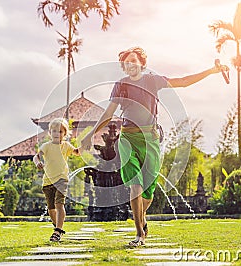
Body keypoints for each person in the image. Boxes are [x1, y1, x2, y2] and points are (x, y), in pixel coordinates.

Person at [81, 47, 229, 247]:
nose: (130, 64)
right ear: (123, 67)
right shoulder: (120, 85)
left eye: (133, 60)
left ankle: (141, 218)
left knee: (148, 191)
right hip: (128, 139)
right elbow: (109, 113)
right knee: (136, 184)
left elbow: (183, 82)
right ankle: (139, 234)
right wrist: (90, 134)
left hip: (150, 139)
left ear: (141, 62)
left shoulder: (152, 80)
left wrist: (211, 71)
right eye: (126, 63)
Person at [33, 117, 81, 242]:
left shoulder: (66, 146)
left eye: (60, 132)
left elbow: (77, 152)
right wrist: (37, 162)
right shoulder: (46, 146)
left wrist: (84, 145)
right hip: (48, 181)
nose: (56, 134)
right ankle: (57, 227)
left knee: (59, 204)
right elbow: (36, 157)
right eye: (54, 131)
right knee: (51, 209)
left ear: (64, 134)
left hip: (61, 179)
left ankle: (58, 231)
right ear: (50, 132)